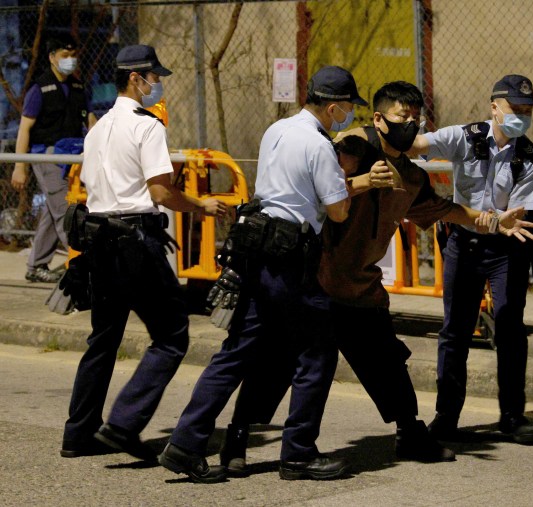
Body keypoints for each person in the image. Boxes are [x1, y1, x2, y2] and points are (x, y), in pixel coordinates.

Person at [216, 81, 533, 474]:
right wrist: (363, 176)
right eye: (403, 118)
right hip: (314, 280)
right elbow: (322, 191)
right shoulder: (353, 151)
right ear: (381, 119)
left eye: (416, 120)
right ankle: (237, 438)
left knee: (387, 361)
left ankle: (411, 433)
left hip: (361, 287)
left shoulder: (412, 178)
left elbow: (441, 209)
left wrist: (489, 221)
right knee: (277, 362)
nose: (410, 126)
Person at [158, 66, 361, 483]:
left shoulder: (277, 129)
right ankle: (299, 454)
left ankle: (185, 442)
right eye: (348, 109)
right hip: (292, 259)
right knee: (318, 353)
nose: (347, 117)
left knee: (235, 353)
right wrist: (354, 185)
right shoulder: (320, 146)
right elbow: (338, 210)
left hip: (256, 251)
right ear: (335, 106)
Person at [60, 45, 227, 459]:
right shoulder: (147, 126)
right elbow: (159, 191)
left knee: (103, 340)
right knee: (171, 336)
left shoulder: (97, 130)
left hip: (98, 243)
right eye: (155, 77)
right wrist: (201, 205)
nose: (159, 85)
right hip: (135, 241)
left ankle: (78, 435)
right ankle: (122, 425)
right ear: (136, 78)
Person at [409, 75, 533, 444]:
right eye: (514, 109)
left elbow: (518, 213)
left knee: (509, 329)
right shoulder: (466, 136)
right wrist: (406, 135)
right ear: (494, 108)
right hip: (464, 243)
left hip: (507, 250)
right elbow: (422, 145)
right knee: (455, 331)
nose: (521, 116)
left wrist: (501, 223)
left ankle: (512, 416)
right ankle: (446, 417)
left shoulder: (531, 159)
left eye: (526, 111)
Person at [12, 34, 97, 283]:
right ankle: (85, 268)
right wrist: (20, 166)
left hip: (72, 159)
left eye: (73, 55)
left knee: (53, 212)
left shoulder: (78, 87)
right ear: (52, 57)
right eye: (65, 55)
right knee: (66, 211)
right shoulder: (39, 89)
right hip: (47, 157)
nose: (70, 60)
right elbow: (24, 129)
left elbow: (90, 120)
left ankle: (36, 265)